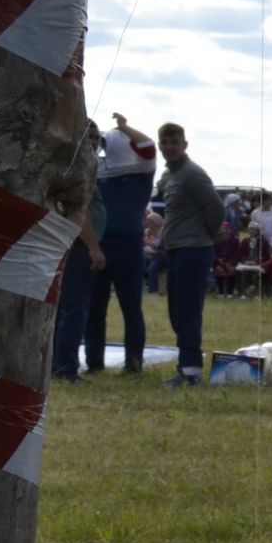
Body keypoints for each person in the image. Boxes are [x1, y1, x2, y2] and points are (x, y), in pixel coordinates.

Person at [155, 122, 225, 386]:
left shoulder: (193, 173)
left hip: (193, 250)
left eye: (175, 142)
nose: (170, 147)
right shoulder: (170, 175)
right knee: (177, 311)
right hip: (175, 250)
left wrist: (207, 235)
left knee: (187, 311)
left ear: (185, 145)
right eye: (165, 142)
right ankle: (186, 365)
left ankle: (191, 371)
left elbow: (217, 208)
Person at [88, 111, 155, 374]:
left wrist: (125, 128)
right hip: (101, 243)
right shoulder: (96, 169)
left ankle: (134, 362)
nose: (103, 148)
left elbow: (148, 147)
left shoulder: (142, 169)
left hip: (127, 244)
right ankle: (94, 362)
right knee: (95, 307)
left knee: (131, 307)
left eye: (105, 143)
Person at [52, 138, 108, 383]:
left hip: (67, 246)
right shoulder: (78, 170)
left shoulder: (68, 166)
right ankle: (65, 368)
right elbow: (79, 210)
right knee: (74, 310)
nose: (94, 143)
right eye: (89, 137)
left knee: (64, 309)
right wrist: (93, 247)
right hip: (78, 246)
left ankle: (57, 365)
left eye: (97, 138)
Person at [212, 221, 244, 297]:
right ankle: (221, 292)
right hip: (219, 262)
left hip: (231, 262)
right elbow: (213, 253)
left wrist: (231, 262)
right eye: (223, 229)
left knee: (231, 270)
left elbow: (237, 254)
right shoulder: (216, 240)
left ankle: (230, 292)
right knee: (219, 269)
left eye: (227, 229)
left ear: (231, 230)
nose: (225, 231)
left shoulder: (235, 240)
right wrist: (218, 260)